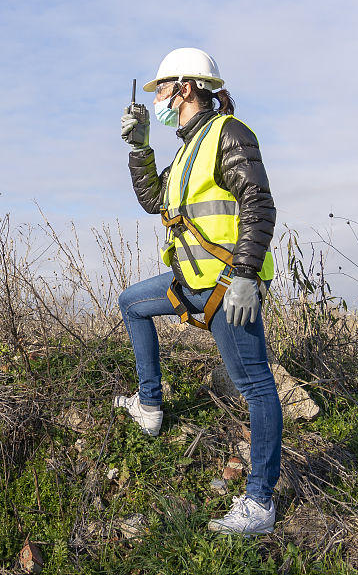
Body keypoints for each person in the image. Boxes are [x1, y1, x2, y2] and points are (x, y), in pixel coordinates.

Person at [116, 47, 283, 537]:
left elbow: (259, 201)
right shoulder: (188, 146)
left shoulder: (229, 133)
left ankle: (260, 503)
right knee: (131, 302)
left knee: (255, 386)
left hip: (228, 288)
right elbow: (154, 201)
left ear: (185, 87)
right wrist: (140, 149)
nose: (159, 99)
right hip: (190, 283)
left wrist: (247, 276)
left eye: (162, 89)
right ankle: (149, 406)